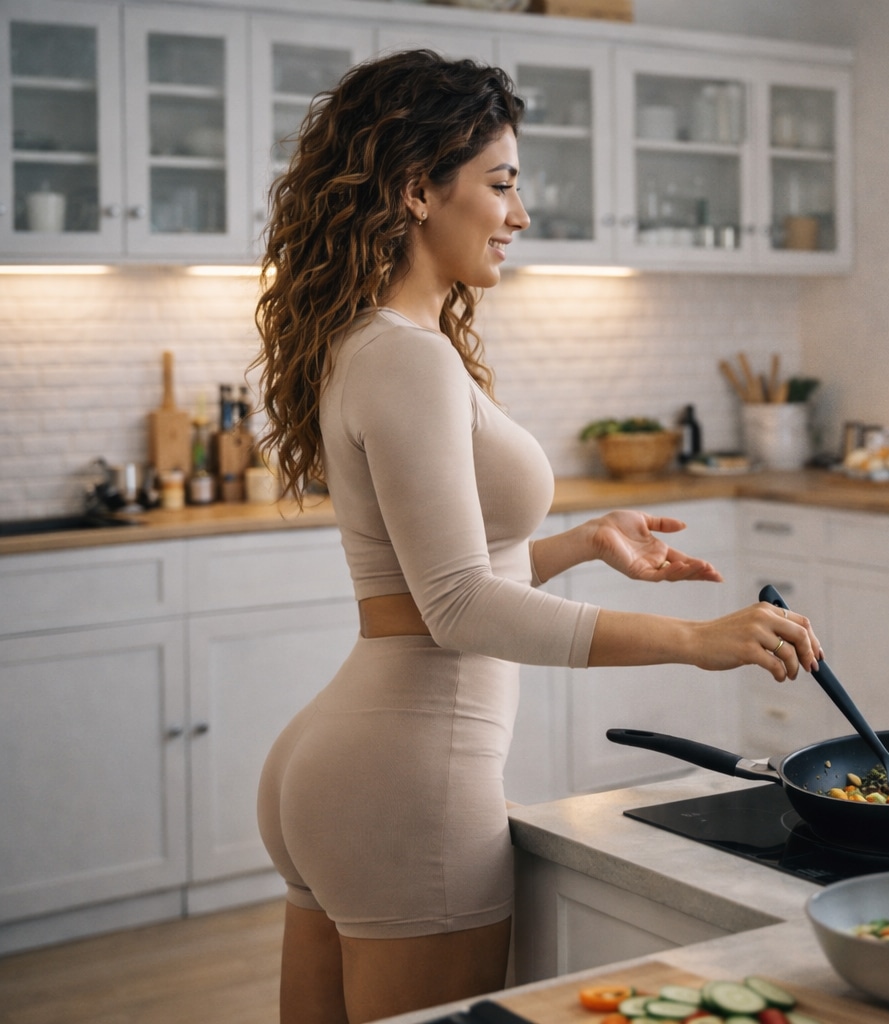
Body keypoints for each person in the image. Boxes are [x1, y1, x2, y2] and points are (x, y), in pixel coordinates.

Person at [250, 50, 823, 1024]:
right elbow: (460, 607)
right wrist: (696, 639)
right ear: (417, 189)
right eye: (501, 183)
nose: (519, 214)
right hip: (408, 776)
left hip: (346, 761)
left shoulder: (373, 343)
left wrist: (585, 540)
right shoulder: (409, 358)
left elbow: (429, 579)